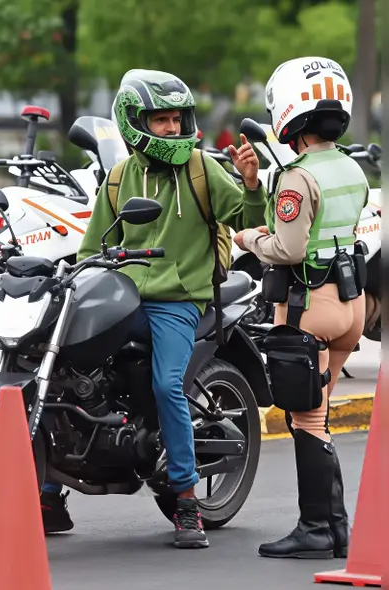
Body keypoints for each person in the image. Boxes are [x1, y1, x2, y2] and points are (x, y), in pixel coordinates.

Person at [39, 69, 266, 549]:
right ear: (135, 123)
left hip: (178, 301)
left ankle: (185, 501)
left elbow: (249, 220)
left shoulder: (202, 170)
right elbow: (93, 249)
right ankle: (50, 493)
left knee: (167, 386)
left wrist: (251, 183)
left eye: (177, 119)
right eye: (161, 120)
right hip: (124, 297)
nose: (172, 128)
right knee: (67, 372)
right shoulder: (119, 178)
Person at [235, 56, 367, 560]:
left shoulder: (296, 177)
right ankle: (336, 530)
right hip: (351, 307)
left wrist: (248, 238)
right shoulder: (351, 167)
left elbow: (288, 249)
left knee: (307, 420)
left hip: (309, 306)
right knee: (319, 416)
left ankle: (316, 529)